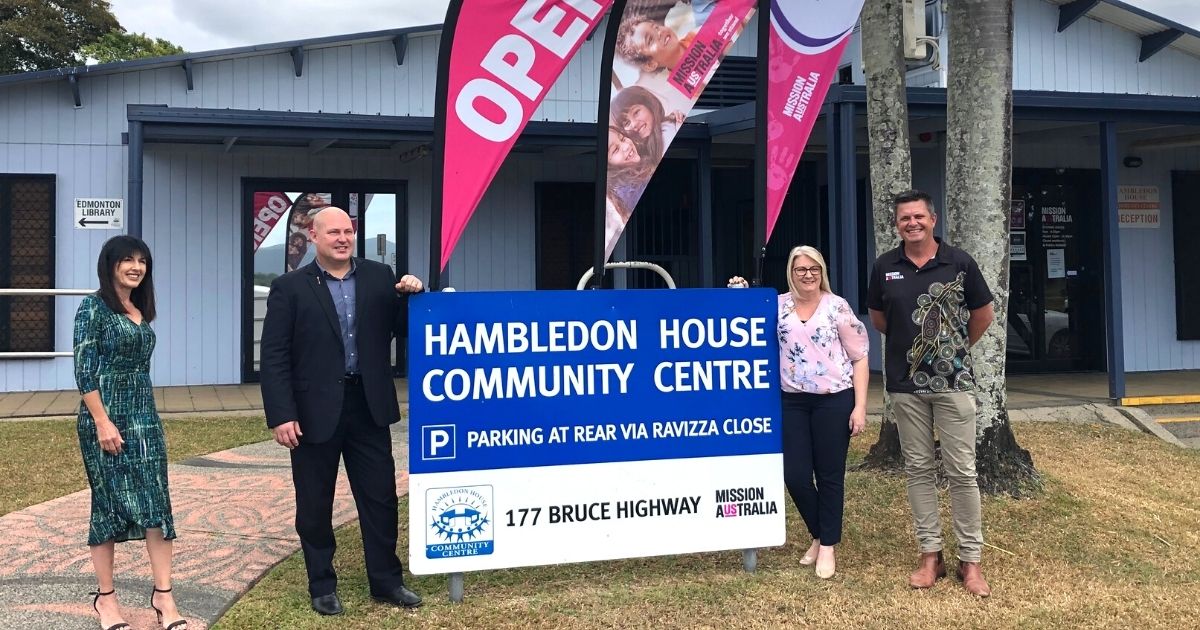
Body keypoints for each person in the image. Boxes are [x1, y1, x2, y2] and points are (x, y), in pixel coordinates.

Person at [259, 207, 424, 615]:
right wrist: (282, 414)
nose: (342, 238)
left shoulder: (378, 277)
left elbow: (402, 329)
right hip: (313, 410)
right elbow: (275, 355)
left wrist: (412, 295)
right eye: (332, 232)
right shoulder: (290, 287)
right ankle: (322, 585)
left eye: (347, 231)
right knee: (315, 503)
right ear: (313, 236)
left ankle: (387, 582)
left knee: (381, 499)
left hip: (368, 405)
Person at [866, 189, 995, 597]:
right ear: (897, 224)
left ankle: (970, 562)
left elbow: (983, 314)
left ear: (933, 219)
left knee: (962, 472)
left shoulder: (959, 263)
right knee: (918, 470)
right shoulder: (885, 266)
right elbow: (880, 319)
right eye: (905, 218)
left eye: (919, 216)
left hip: (954, 385)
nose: (912, 223)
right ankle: (930, 556)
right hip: (905, 387)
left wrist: (953, 350)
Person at [729, 245, 868, 580]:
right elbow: (746, 318)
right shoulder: (778, 306)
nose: (808, 275)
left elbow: (860, 356)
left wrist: (861, 406)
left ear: (822, 272)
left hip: (834, 399)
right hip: (792, 400)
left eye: (814, 269)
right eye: (801, 269)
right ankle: (820, 534)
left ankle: (828, 546)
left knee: (830, 474)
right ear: (791, 272)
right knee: (794, 474)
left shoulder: (838, 307)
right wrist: (741, 292)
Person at [73, 235, 188, 630]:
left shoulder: (139, 308)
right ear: (111, 265)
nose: (136, 266)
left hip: (144, 415)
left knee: (157, 501)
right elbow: (84, 371)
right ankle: (106, 601)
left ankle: (164, 596)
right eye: (127, 260)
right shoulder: (93, 307)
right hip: (104, 415)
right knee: (107, 503)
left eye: (142, 260)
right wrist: (103, 422)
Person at [611, 85, 684, 163]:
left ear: (649, 105)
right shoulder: (640, 151)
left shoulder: (667, 133)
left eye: (636, 112)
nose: (634, 123)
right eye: (627, 123)